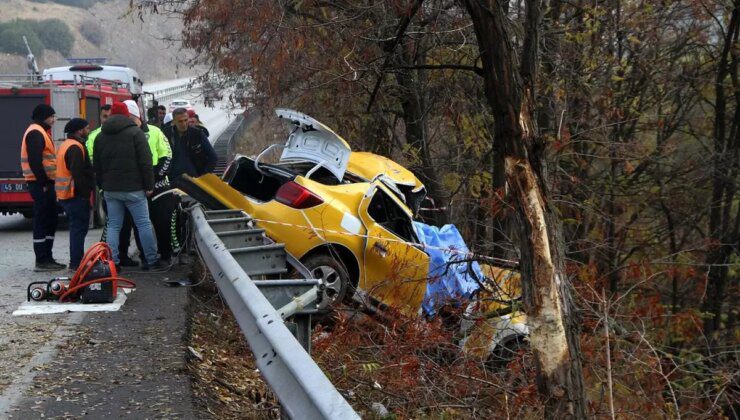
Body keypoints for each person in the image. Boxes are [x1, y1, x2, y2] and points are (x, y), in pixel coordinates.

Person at [93, 102, 164, 269]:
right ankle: (151, 260)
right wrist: (149, 185)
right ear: (127, 115)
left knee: (113, 225)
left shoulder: (100, 136)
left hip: (111, 190)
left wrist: (102, 185)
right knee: (143, 224)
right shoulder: (135, 133)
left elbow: (97, 165)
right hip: (134, 189)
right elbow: (145, 162)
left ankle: (112, 262)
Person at [117, 99, 175, 266]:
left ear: (137, 116)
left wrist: (154, 179)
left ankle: (165, 255)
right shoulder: (124, 135)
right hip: (137, 188)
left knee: (162, 222)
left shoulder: (155, 132)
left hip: (159, 187)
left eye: (129, 118)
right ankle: (146, 256)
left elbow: (167, 156)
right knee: (139, 225)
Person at [21, 104, 64, 271]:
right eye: (52, 116)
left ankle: (48, 257)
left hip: (44, 183)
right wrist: (44, 183)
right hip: (40, 184)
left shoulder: (41, 132)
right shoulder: (35, 133)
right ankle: (42, 259)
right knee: (42, 220)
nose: (54, 120)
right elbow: (34, 161)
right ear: (44, 116)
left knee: (50, 219)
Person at [55, 118, 93, 271]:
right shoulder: (76, 147)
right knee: (78, 230)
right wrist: (85, 194)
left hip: (65, 194)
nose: (88, 131)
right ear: (79, 130)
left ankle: (76, 261)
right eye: (87, 128)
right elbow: (78, 174)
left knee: (76, 229)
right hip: (75, 195)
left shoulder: (65, 145)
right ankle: (76, 263)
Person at [164, 107, 217, 179]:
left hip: (195, 178)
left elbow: (213, 156)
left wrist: (204, 175)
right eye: (180, 121)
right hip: (172, 179)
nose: (184, 124)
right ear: (174, 122)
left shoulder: (197, 133)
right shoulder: (166, 134)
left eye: (186, 120)